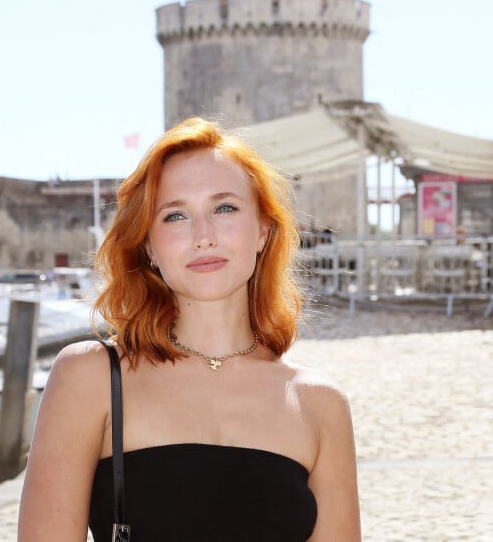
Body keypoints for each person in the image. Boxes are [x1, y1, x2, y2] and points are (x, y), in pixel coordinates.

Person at [18, 117, 361, 541]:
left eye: (224, 208)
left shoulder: (318, 404)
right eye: (176, 215)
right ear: (148, 246)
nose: (203, 236)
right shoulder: (92, 378)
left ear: (263, 231)